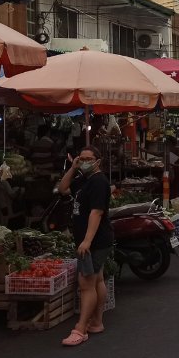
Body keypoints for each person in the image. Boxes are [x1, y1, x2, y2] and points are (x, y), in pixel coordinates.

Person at [59, 147, 113, 346]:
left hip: (95, 241)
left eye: (89, 159)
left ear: (98, 161)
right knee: (97, 279)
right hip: (92, 240)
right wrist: (73, 168)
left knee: (86, 283)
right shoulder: (84, 179)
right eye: (82, 158)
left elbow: (96, 212)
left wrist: (87, 241)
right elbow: (63, 188)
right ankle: (97, 322)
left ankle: (80, 328)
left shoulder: (99, 182)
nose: (85, 161)